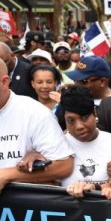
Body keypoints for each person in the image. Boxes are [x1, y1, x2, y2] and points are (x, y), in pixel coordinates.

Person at [0, 58, 74, 191]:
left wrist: (6, 175)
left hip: (22, 208)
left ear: (4, 82)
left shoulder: (35, 113)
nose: (44, 86)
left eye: (48, 82)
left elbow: (64, 165)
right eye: (39, 82)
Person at [59, 85, 111, 188]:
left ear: (95, 112)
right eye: (71, 120)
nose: (79, 126)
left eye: (84, 117)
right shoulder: (58, 145)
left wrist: (94, 188)